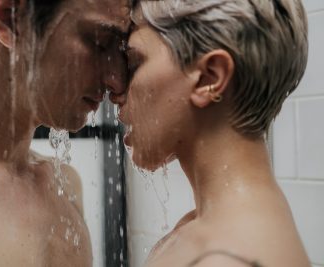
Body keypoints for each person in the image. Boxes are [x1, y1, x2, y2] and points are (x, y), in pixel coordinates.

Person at [0, 0, 130, 266]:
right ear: (10, 18)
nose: (117, 80)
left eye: (122, 50)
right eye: (100, 42)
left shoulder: (65, 185)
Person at [119, 0, 310, 266]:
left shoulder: (226, 259)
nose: (116, 91)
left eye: (133, 64)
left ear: (209, 78)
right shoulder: (215, 225)